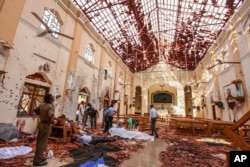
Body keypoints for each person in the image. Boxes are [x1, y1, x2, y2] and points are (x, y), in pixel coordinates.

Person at [33, 94, 55, 166]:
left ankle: (40, 156)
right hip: (46, 125)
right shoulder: (50, 106)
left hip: (41, 123)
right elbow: (50, 115)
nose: (54, 98)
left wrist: (41, 115)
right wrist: (49, 122)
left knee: (40, 141)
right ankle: (37, 160)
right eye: (52, 97)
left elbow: (35, 110)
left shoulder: (42, 105)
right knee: (42, 143)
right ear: (50, 99)